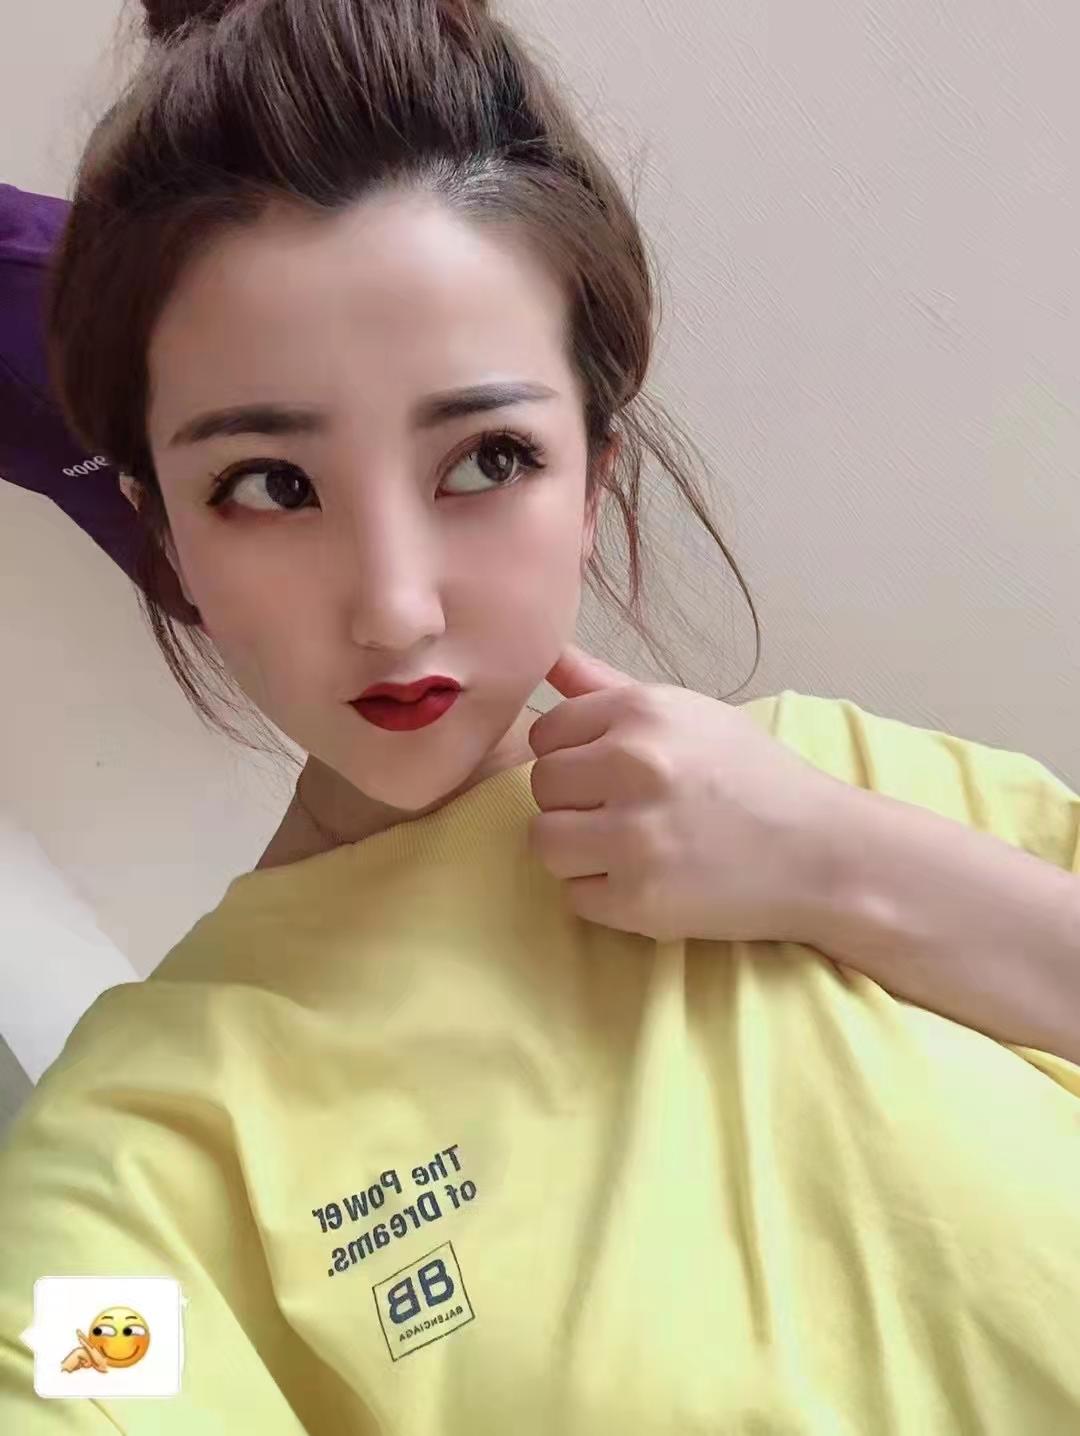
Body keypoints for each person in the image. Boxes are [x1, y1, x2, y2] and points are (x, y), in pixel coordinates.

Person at [1, 1, 1078, 1431]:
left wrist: (839, 862)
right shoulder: (143, 1150)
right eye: (269, 485)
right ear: (164, 533)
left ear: (592, 478)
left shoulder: (852, 774)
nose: (394, 608)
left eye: (488, 459)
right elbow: (84, 1369)